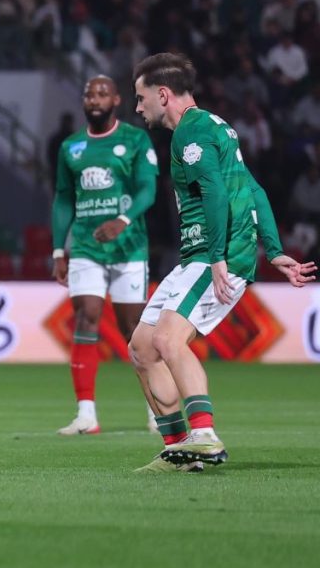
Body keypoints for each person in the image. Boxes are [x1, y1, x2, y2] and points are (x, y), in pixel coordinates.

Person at [131, 52, 315, 472]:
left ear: (163, 94)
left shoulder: (189, 133)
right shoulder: (217, 127)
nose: (138, 108)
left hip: (216, 252)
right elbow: (254, 189)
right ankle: (179, 451)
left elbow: (215, 191)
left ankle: (205, 436)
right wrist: (275, 248)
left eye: (141, 98)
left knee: (168, 341)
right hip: (204, 253)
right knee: (142, 348)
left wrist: (217, 258)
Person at [51, 76, 158, 435]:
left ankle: (156, 410)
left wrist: (123, 220)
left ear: (115, 100)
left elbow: (148, 188)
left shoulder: (135, 139)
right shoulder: (72, 147)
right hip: (85, 246)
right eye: (88, 94)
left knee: (133, 329)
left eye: (101, 94)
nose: (93, 99)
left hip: (129, 247)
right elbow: (64, 198)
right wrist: (57, 249)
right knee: (87, 316)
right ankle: (86, 415)